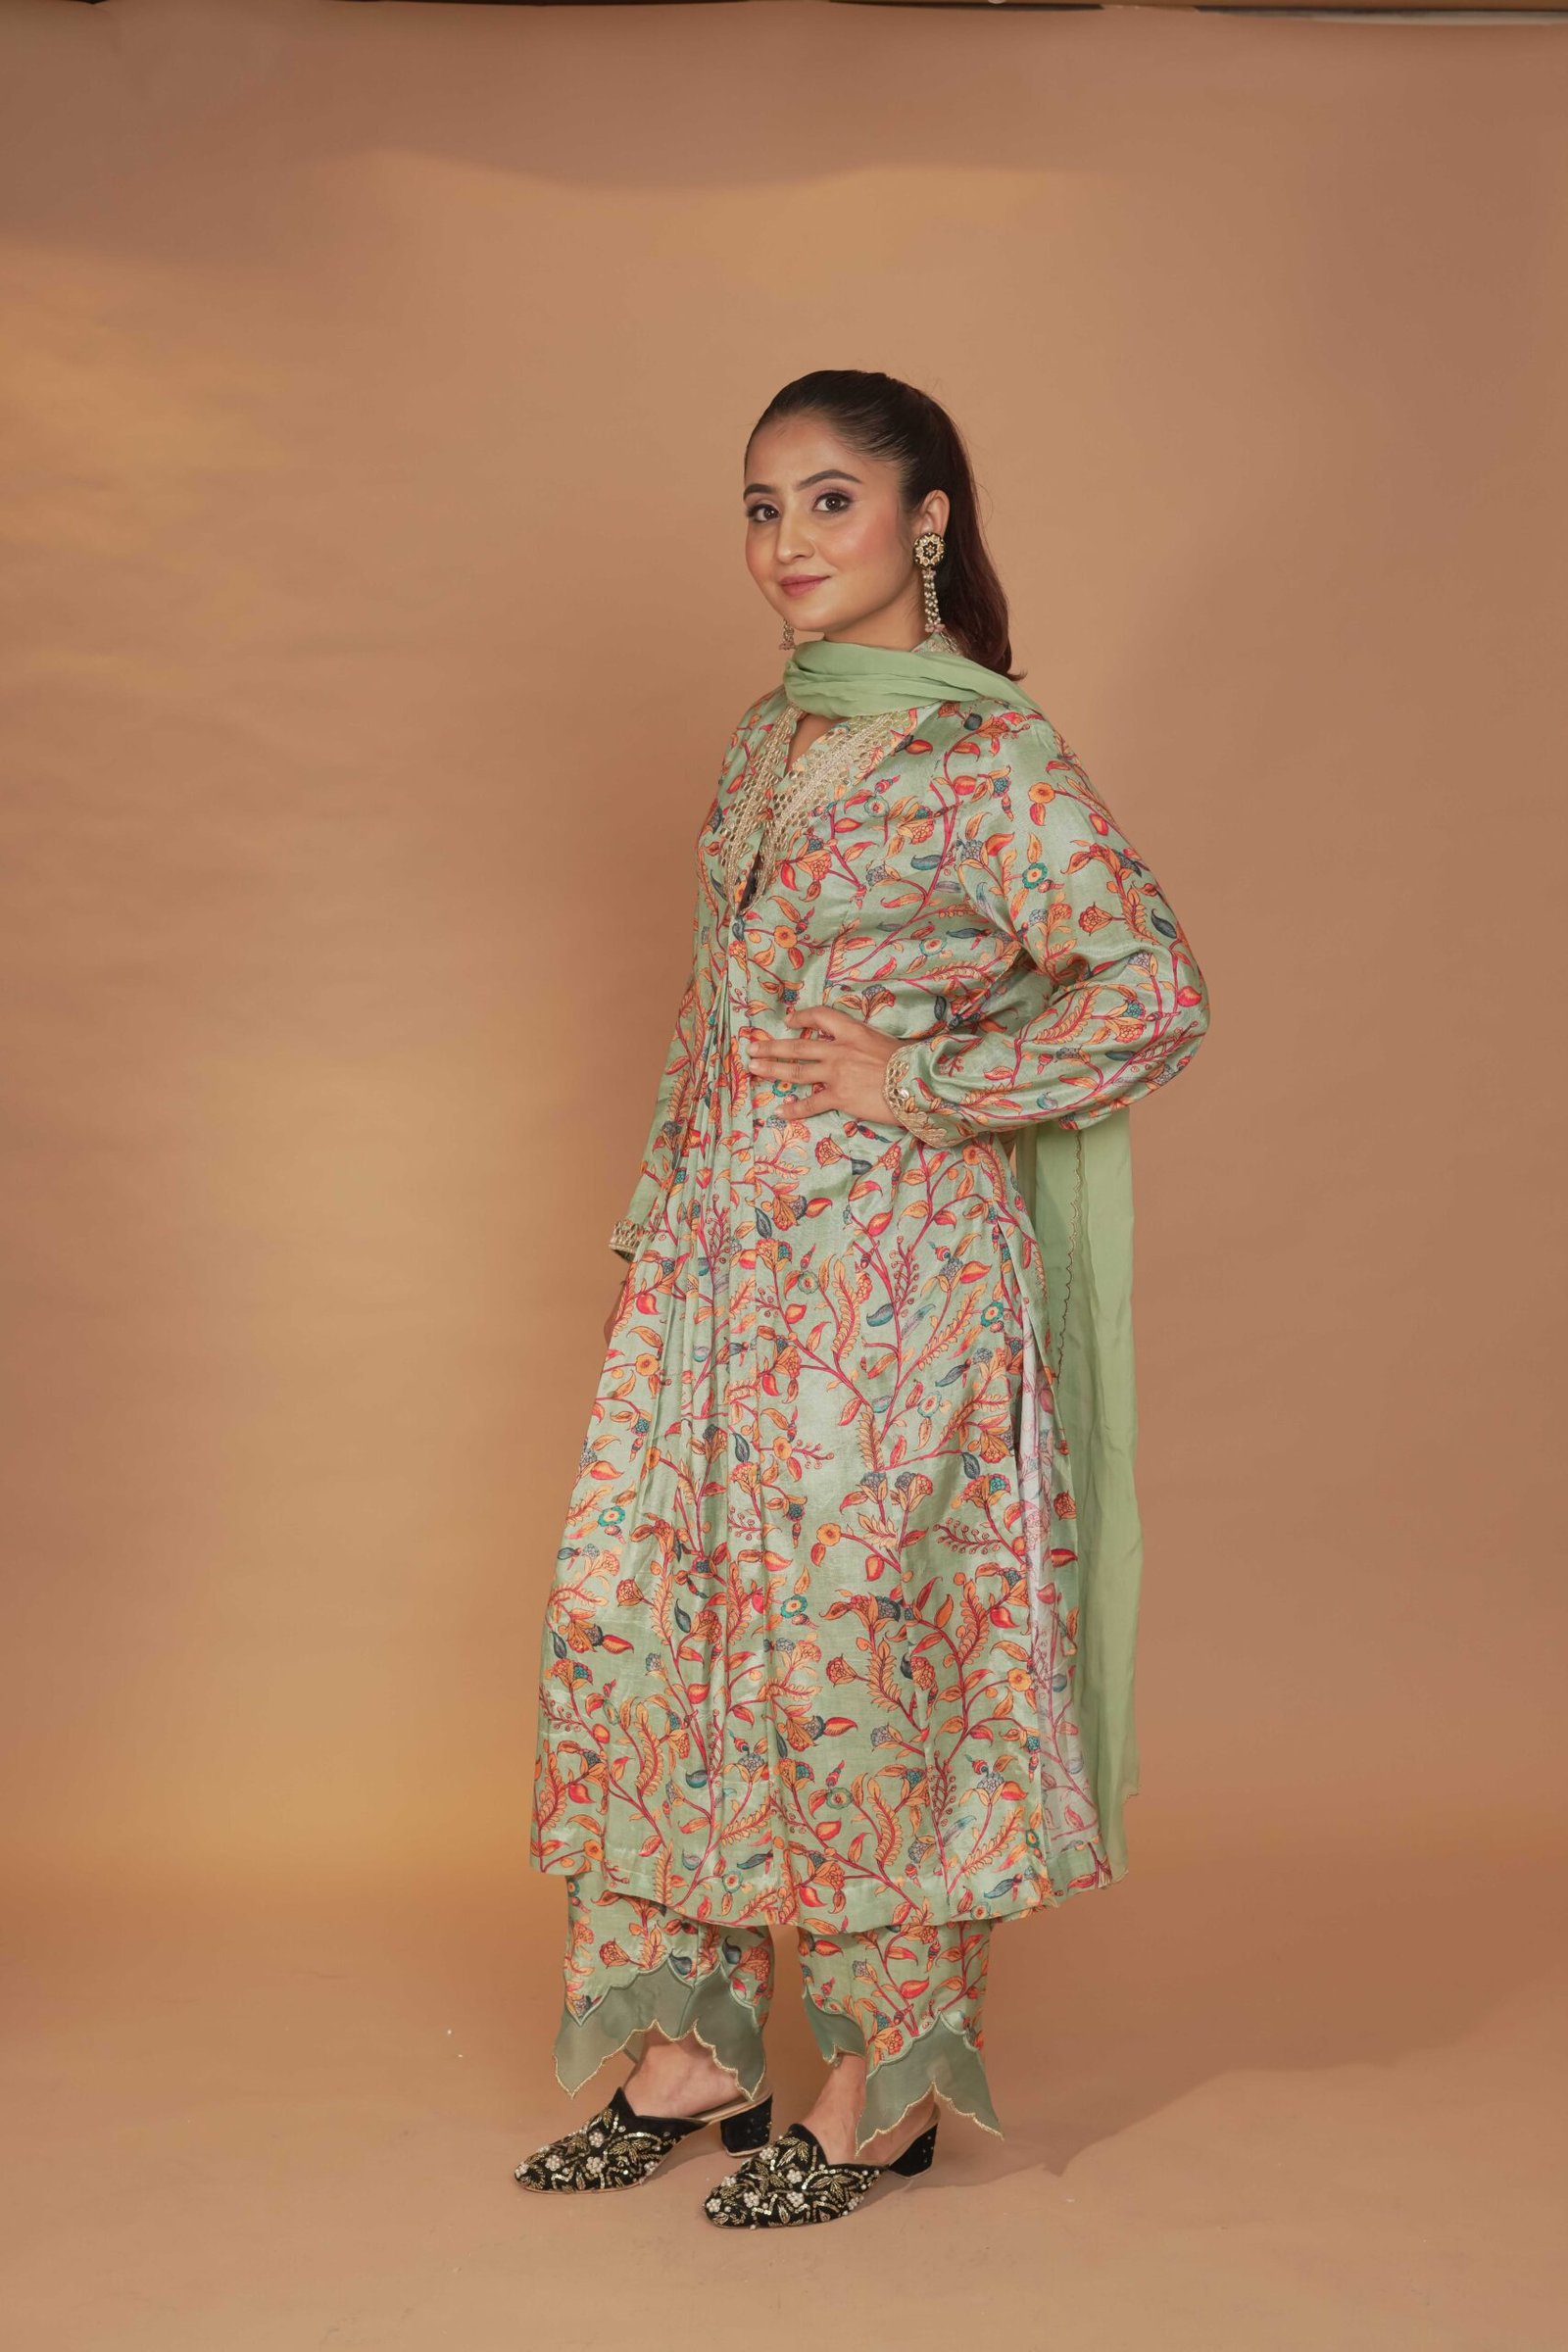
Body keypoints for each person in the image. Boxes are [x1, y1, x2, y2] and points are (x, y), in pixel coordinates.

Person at [515, 368, 1211, 2227]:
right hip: (720, 1280)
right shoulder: (771, 739)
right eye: (762, 506)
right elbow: (712, 1011)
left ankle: (880, 2079)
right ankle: (693, 2047)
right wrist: (659, 1236)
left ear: (928, 521)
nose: (786, 541)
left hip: (895, 1288)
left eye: (830, 500)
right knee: (661, 1624)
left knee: (855, 1654)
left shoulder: (991, 759)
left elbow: (1151, 993)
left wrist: (926, 1081)